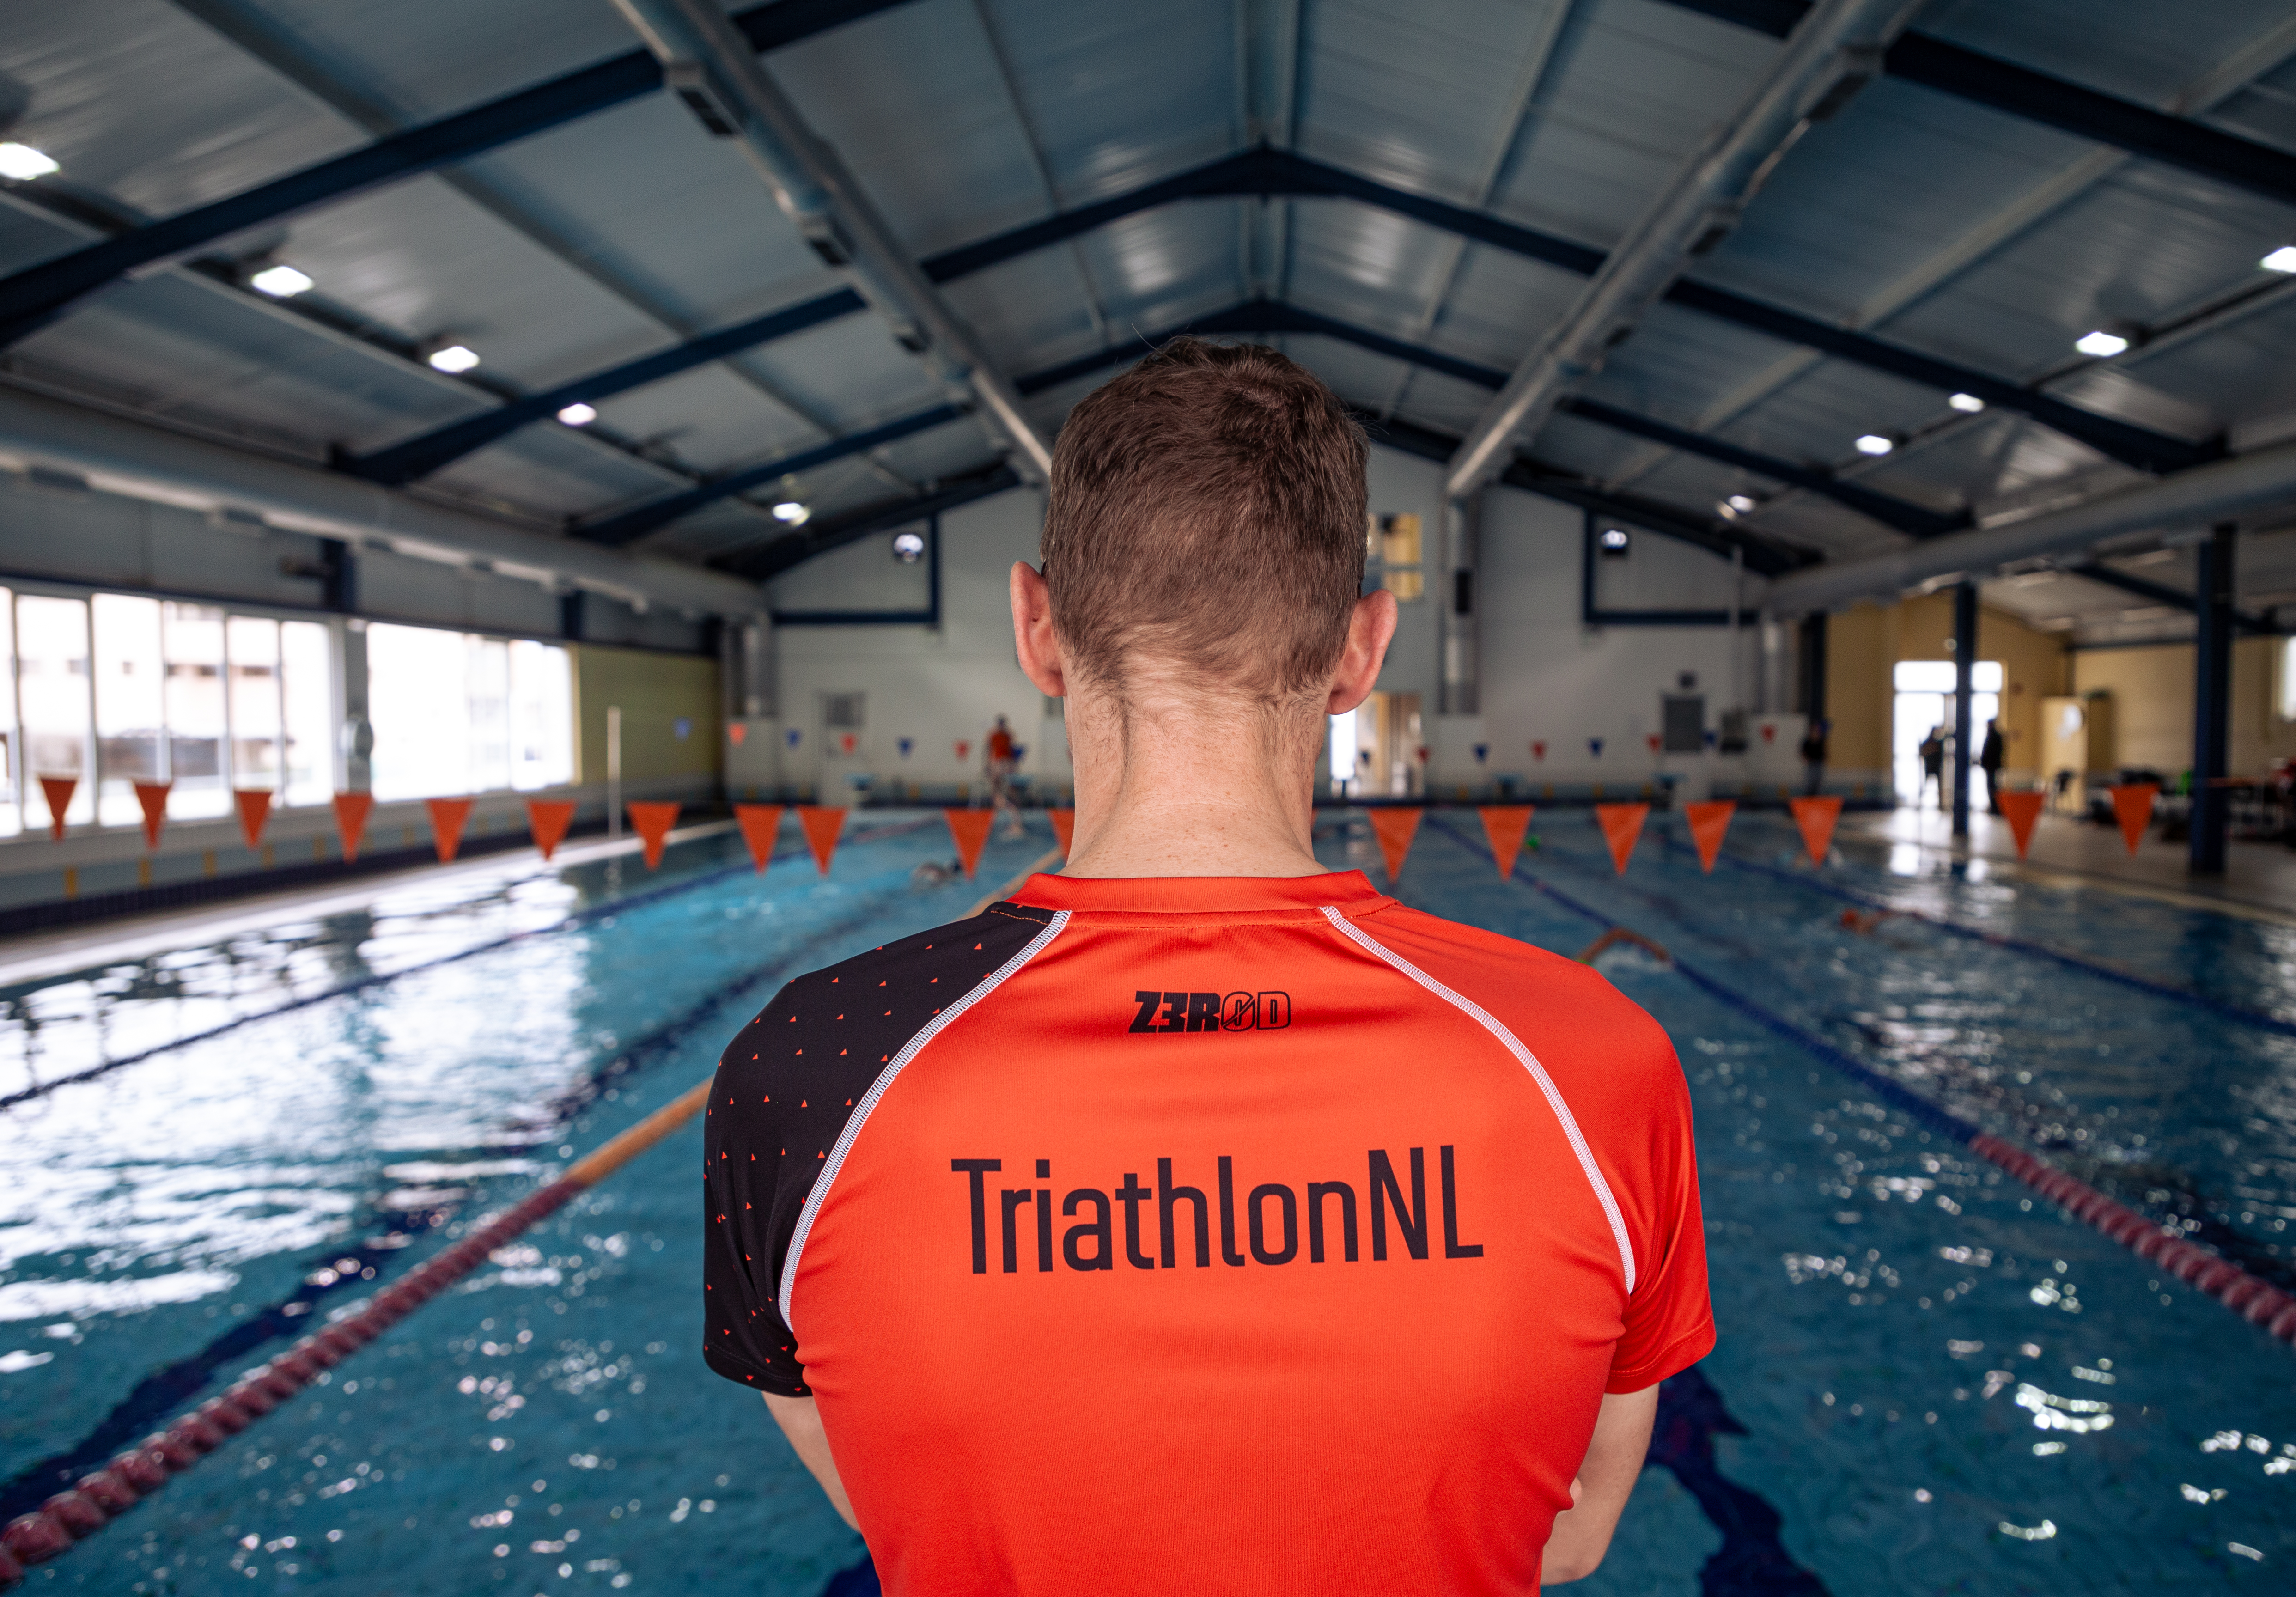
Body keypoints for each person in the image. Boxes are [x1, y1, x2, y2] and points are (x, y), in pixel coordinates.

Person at [700, 340, 1712, 1594]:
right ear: (1363, 649)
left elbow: (902, 1511)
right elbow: (1565, 1535)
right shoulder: (1591, 1056)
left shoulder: (816, 1064)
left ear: (1037, 627)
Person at [983, 713, 1024, 837]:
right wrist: (987, 765)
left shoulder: (1008, 735)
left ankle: (1011, 802)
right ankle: (998, 804)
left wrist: (1015, 766)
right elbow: (989, 750)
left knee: (1010, 786)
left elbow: (1012, 751)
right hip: (998, 762)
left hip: (1006, 763)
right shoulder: (994, 735)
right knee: (996, 785)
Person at [1979, 722, 2007, 813]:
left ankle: (1995, 808)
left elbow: (1992, 752)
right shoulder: (1993, 736)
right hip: (1991, 766)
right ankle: (1994, 807)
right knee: (1992, 787)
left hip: (1992, 766)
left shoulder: (1993, 737)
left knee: (1993, 787)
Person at [1799, 717, 1827, 797]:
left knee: (1818, 784)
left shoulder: (1821, 741)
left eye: (1816, 731)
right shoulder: (1807, 742)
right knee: (1809, 783)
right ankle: (1808, 799)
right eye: (1813, 731)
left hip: (1819, 764)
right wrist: (1806, 759)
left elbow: (1824, 752)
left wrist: (1824, 759)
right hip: (1811, 764)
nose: (1815, 733)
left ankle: (1818, 799)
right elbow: (1803, 753)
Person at [1919, 727, 1946, 810]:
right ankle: (1920, 802)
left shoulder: (1940, 743)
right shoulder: (1929, 743)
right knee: (1926, 786)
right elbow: (1923, 752)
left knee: (1939, 787)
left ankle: (1941, 804)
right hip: (1930, 767)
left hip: (1937, 768)